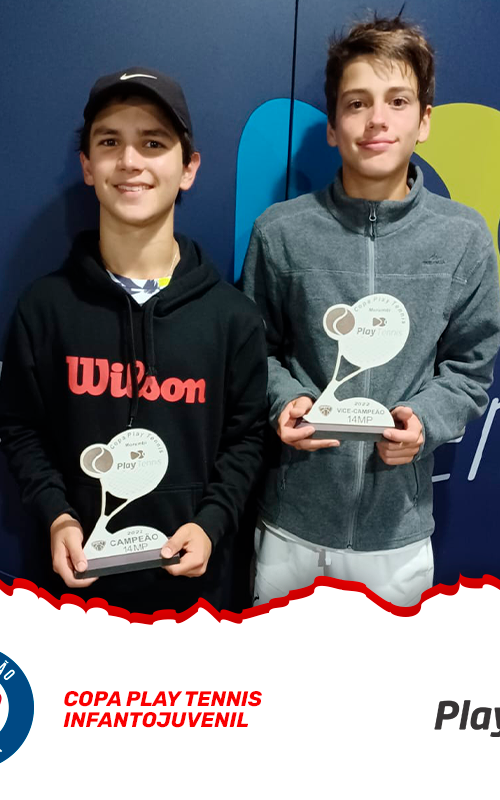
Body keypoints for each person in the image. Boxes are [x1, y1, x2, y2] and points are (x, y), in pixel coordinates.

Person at [242, 16, 500, 607]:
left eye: (397, 101)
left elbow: (469, 369)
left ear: (424, 121)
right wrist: (286, 401)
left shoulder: (464, 237)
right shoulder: (280, 233)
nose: (377, 119)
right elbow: (254, 352)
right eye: (357, 103)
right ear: (333, 127)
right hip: (291, 528)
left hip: (398, 538)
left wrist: (424, 422)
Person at [0, 67, 267, 614]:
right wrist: (58, 516)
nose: (129, 161)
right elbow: (21, 428)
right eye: (109, 142)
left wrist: (212, 523)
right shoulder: (44, 308)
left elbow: (247, 439)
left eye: (152, 143)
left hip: (196, 600)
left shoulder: (232, 317)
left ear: (188, 168)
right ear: (87, 166)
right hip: (74, 601)